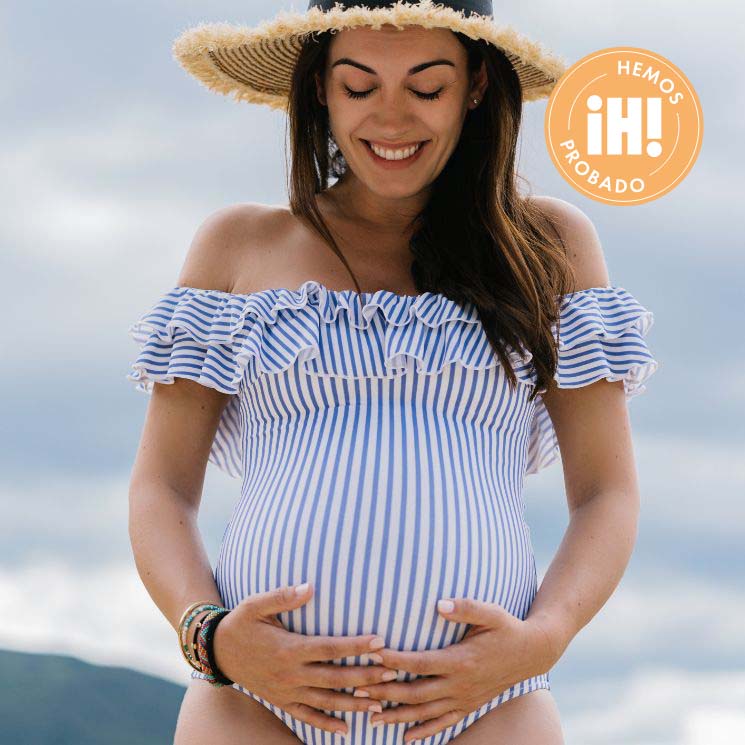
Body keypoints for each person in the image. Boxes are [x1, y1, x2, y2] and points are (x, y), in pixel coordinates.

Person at [126, 2, 659, 743]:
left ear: (475, 86)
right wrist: (211, 637)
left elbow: (606, 493)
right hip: (253, 706)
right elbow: (161, 488)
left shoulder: (550, 247)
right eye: (358, 85)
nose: (390, 117)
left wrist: (543, 639)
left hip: (487, 708)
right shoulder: (237, 247)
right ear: (318, 88)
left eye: (426, 87)